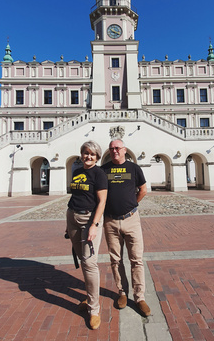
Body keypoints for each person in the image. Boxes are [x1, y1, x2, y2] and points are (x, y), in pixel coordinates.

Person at [101, 138, 151, 317]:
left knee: (136, 259)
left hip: (131, 219)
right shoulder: (103, 170)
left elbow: (143, 190)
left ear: (124, 150)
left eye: (117, 148)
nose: (114, 151)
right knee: (115, 259)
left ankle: (139, 297)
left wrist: (131, 205)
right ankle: (122, 293)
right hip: (110, 221)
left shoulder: (134, 168)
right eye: (112, 148)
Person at [66, 141, 108, 330]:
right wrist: (69, 223)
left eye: (92, 154)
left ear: (97, 157)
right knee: (83, 261)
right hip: (73, 217)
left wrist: (94, 225)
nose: (88, 156)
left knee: (90, 263)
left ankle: (94, 309)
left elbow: (102, 202)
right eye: (85, 153)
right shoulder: (76, 171)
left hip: (89, 219)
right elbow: (74, 196)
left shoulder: (99, 174)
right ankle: (90, 298)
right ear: (81, 154)